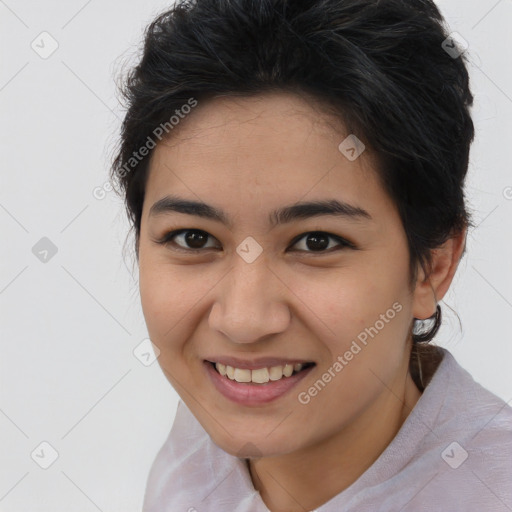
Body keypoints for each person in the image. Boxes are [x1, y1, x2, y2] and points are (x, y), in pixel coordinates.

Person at [110, 0, 512, 510]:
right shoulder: (195, 456)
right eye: (194, 238)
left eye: (316, 242)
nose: (243, 322)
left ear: (433, 266)